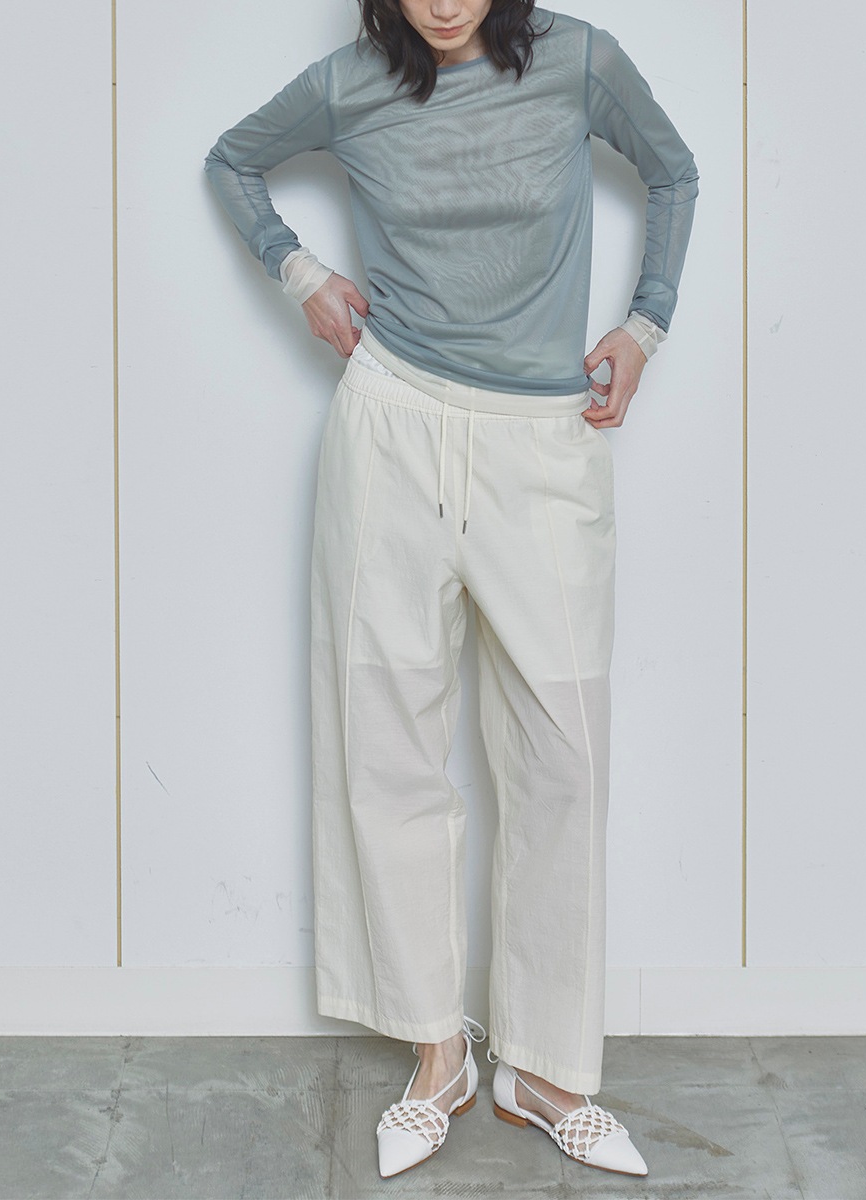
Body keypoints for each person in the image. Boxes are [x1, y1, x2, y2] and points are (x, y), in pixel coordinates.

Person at [204, 0, 698, 1180]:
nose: (442, 2)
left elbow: (674, 172)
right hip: (392, 428)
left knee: (563, 753)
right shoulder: (348, 84)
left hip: (544, 442)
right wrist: (298, 273)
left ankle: (545, 1068)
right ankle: (438, 1053)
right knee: (387, 740)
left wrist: (644, 327)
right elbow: (231, 160)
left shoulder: (581, 61)